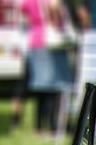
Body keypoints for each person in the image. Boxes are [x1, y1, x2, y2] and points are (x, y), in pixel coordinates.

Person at [23, 0, 76, 136]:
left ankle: (39, 126)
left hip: (35, 41)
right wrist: (57, 26)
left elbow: (25, 15)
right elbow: (54, 10)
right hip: (52, 43)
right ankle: (54, 125)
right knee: (55, 85)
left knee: (41, 87)